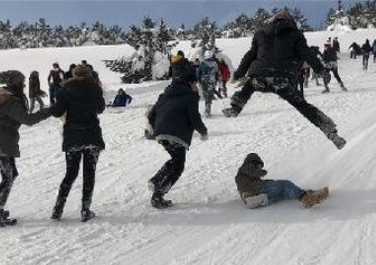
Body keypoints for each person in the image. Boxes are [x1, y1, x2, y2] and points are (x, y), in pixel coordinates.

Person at [221, 11, 346, 150]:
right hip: (282, 80)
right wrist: (320, 70)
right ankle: (330, 132)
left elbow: (249, 55)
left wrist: (239, 73)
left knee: (250, 84)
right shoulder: (296, 35)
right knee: (303, 106)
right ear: (291, 22)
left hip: (259, 77)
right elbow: (307, 53)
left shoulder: (260, 33)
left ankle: (236, 107)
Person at [0, 70, 51, 226]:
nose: (24, 85)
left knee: (11, 174)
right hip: (0, 140)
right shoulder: (11, 100)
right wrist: (47, 112)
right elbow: (27, 119)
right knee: (8, 176)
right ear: (16, 83)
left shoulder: (2, 97)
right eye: (22, 82)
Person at [147, 57, 208, 209]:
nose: (196, 87)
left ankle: (156, 180)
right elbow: (194, 118)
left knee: (175, 160)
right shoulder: (190, 96)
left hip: (161, 134)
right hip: (177, 135)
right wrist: (203, 132)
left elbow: (151, 114)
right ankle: (158, 195)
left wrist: (157, 128)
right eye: (195, 84)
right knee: (178, 167)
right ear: (191, 82)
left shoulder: (166, 94)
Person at [48, 65, 105, 222]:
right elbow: (100, 109)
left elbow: (57, 112)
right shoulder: (95, 89)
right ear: (89, 75)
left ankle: (57, 210)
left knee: (70, 173)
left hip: (73, 136)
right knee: (89, 173)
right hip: (92, 135)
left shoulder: (65, 90)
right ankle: (85, 210)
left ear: (74, 74)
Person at [235, 153, 329, 209]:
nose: (259, 167)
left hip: (257, 198)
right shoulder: (245, 168)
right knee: (285, 184)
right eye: (258, 165)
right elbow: (254, 173)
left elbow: (252, 177)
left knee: (284, 193)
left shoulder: (245, 174)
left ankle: (310, 194)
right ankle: (307, 198)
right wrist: (261, 172)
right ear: (252, 162)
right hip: (255, 191)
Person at [197, 50, 219, 117]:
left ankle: (207, 109)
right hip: (212, 80)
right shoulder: (215, 64)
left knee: (205, 94)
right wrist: (216, 81)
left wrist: (199, 80)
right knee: (210, 94)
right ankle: (208, 108)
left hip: (204, 80)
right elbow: (217, 73)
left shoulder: (203, 63)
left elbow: (199, 73)